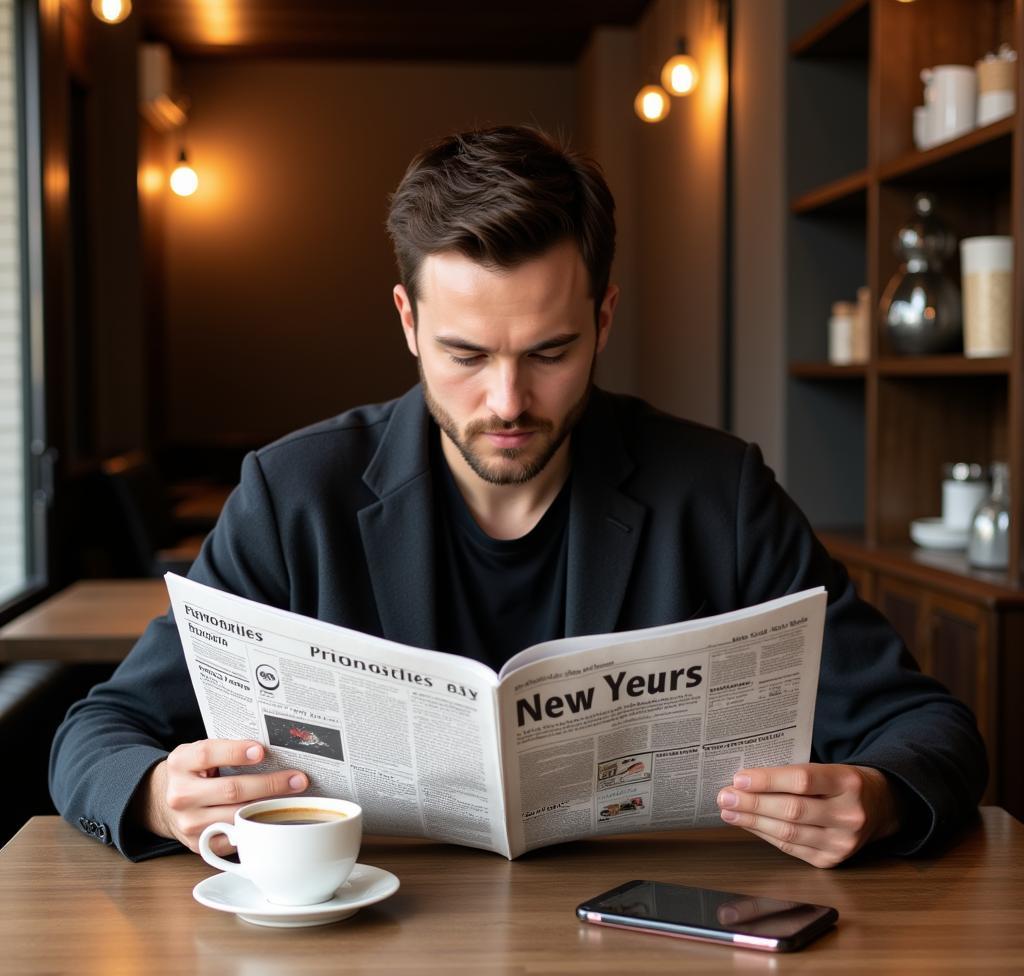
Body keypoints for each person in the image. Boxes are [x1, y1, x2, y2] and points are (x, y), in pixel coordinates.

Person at [49, 125, 986, 868]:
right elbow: (98, 730)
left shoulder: (720, 493)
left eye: (549, 352)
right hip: (356, 955)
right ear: (409, 322)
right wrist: (157, 796)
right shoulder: (294, 494)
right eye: (466, 355)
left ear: (603, 318)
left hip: (652, 954)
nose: (507, 402)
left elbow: (930, 728)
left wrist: (883, 797)